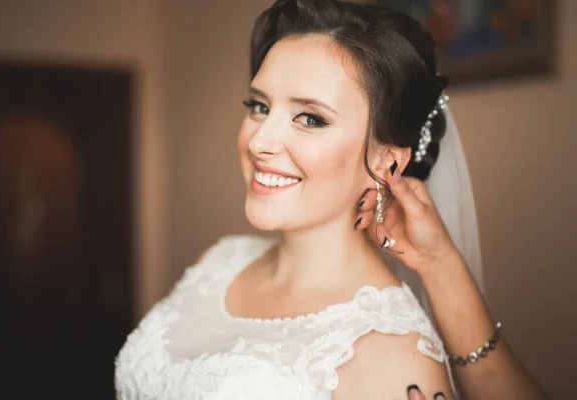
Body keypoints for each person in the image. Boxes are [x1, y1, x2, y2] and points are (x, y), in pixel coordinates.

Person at [114, 0, 550, 399]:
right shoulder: (219, 260)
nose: (260, 140)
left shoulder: (391, 352)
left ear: (386, 160)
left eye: (310, 118)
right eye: (259, 106)